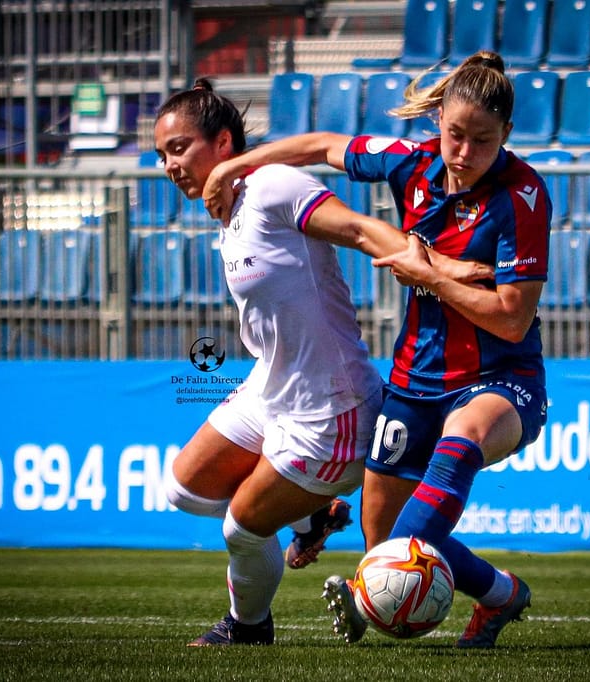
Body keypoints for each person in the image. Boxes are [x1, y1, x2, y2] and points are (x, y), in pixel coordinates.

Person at [202, 51, 552, 649]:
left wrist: (429, 273)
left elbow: (513, 320)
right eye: (455, 135)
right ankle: (498, 595)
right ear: (438, 119)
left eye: (483, 141)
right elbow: (322, 146)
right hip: (415, 378)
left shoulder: (523, 197)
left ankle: (368, 596)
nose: (463, 153)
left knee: (461, 439)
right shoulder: (411, 164)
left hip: (501, 376)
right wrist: (240, 164)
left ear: (508, 136)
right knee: (387, 536)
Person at [156, 79, 493, 646]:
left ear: (222, 143)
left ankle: (248, 626)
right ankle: (312, 518)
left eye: (179, 148)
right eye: (162, 155)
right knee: (183, 488)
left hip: (330, 409)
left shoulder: (271, 186)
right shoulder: (231, 206)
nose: (169, 165)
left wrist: (443, 268)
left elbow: (362, 230)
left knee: (241, 526)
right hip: (273, 387)